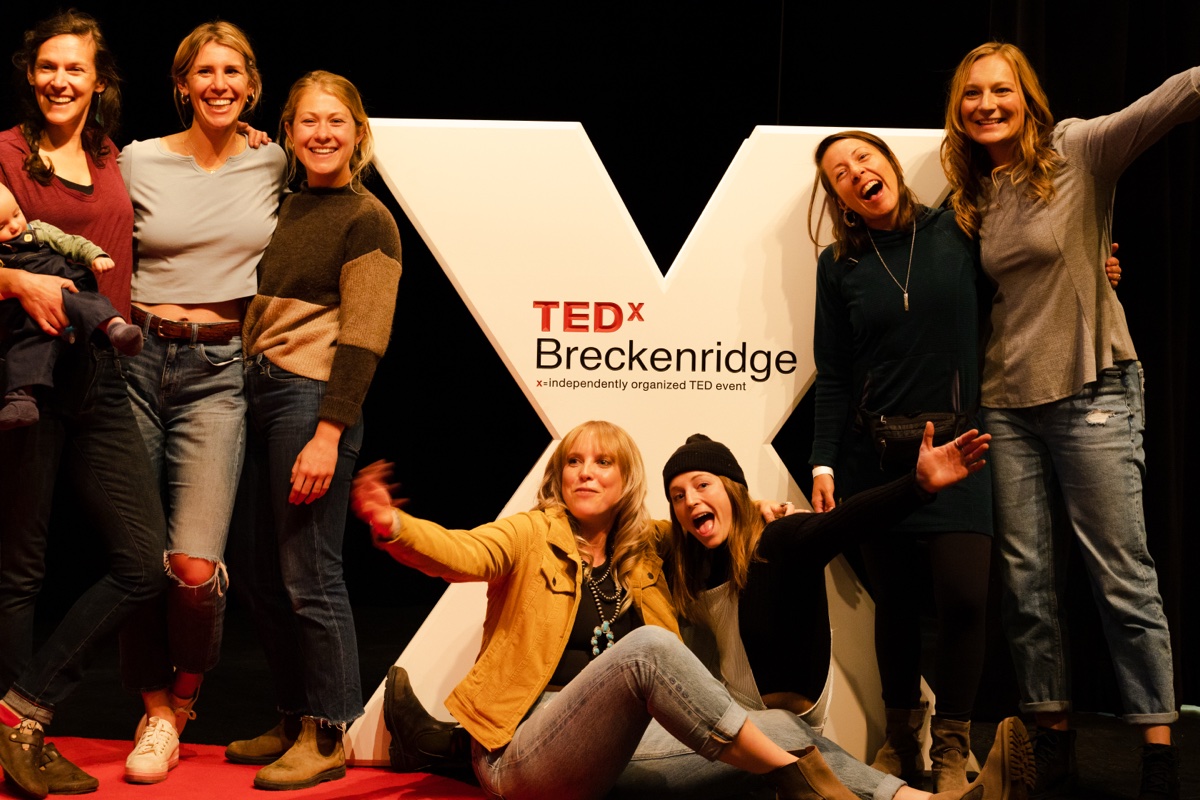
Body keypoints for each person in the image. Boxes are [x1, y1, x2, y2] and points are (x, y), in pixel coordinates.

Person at [352, 420, 1033, 800]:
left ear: (625, 485)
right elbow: (459, 553)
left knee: (777, 722)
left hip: (616, 754)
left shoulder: (651, 549)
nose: (586, 472)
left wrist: (759, 507)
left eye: (604, 463)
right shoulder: (530, 534)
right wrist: (394, 526)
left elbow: (787, 530)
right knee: (648, 654)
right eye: (574, 463)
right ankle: (795, 784)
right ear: (558, 478)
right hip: (524, 756)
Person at [941, 42, 1199, 799]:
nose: (986, 104)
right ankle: (1051, 739)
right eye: (971, 95)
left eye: (1000, 90)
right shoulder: (974, 191)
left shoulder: (1079, 148)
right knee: (1026, 584)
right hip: (1006, 403)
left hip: (1094, 389)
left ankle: (1156, 745)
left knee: (1123, 574)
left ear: (1028, 95)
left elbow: (1178, 94)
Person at [0, 11, 166, 798]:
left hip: (98, 377)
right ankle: (15, 741)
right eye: (48, 67)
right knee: (19, 569)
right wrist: (17, 280)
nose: (61, 81)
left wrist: (256, 147)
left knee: (143, 561)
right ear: (31, 74)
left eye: (77, 69)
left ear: (99, 81)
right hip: (20, 377)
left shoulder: (110, 157)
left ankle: (21, 707)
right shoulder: (2, 152)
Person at [116, 20, 286, 785]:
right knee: (132, 559)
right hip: (136, 359)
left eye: (232, 73)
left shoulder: (272, 160)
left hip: (221, 369)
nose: (218, 84)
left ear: (251, 86)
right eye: (203, 72)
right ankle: (153, 708)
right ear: (182, 84)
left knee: (193, 566)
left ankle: (186, 697)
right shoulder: (140, 158)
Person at [221, 70, 402, 791]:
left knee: (310, 575)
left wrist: (330, 432)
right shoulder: (287, 205)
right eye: (307, 122)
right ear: (289, 133)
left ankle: (330, 732)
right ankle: (295, 712)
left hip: (311, 399)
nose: (322, 134)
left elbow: (364, 338)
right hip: (259, 392)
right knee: (262, 573)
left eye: (336, 121)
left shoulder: (369, 219)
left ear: (357, 132)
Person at [806, 130, 993, 792]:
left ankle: (952, 745)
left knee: (966, 595)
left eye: (864, 159)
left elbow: (1026, 282)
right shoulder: (838, 265)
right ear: (839, 197)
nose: (856, 173)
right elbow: (832, 373)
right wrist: (823, 463)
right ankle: (899, 741)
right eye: (839, 173)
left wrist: (1098, 268)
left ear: (889, 165)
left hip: (961, 446)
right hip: (877, 458)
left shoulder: (959, 231)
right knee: (897, 604)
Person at [0, 182, 144, 428]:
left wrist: (94, 255)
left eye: (16, 214)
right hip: (32, 319)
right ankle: (21, 398)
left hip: (70, 289)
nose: (15, 226)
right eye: (1, 226)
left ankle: (115, 328)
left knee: (89, 304)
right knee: (27, 347)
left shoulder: (39, 231)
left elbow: (71, 242)